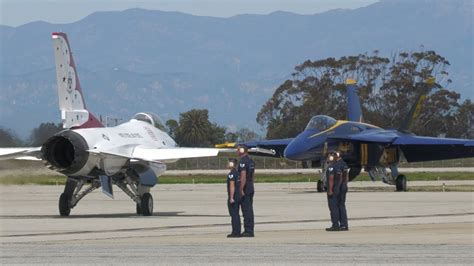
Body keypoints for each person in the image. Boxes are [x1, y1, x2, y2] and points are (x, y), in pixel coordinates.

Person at [237, 144, 255, 237]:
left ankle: (248, 231)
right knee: (250, 210)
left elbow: (243, 176)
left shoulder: (242, 162)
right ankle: (250, 229)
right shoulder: (251, 161)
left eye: (238, 149)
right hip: (250, 186)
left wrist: (240, 189)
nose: (237, 151)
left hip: (245, 187)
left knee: (246, 210)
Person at [325, 151, 343, 231]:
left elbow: (331, 179)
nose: (329, 157)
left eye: (330, 156)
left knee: (333, 207)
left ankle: (335, 225)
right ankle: (341, 224)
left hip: (333, 190)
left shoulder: (331, 167)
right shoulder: (338, 166)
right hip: (338, 189)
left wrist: (330, 190)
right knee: (338, 206)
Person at [226, 158, 241, 238]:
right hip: (239, 196)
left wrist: (231, 197)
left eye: (228, 163)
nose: (227, 164)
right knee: (237, 214)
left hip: (234, 196)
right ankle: (237, 231)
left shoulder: (231, 174)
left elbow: (232, 186)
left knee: (234, 215)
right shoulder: (238, 173)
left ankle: (235, 232)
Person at [336, 152, 349, 231]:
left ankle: (343, 224)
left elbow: (341, 177)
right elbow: (346, 177)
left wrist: (337, 188)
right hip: (343, 187)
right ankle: (342, 224)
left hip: (340, 187)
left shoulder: (339, 165)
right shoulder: (343, 164)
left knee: (340, 206)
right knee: (341, 205)